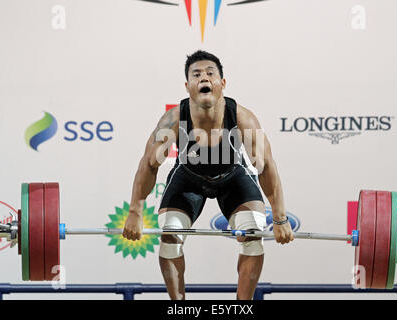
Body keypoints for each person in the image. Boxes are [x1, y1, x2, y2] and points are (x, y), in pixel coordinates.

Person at [122, 50, 294, 300]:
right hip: (188, 180)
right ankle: (179, 306)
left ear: (222, 83)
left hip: (232, 179)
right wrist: (135, 213)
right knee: (170, 237)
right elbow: (149, 165)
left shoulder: (242, 118)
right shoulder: (174, 119)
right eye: (197, 74)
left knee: (253, 234)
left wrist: (279, 219)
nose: (204, 78)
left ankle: (242, 306)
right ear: (187, 86)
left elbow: (266, 166)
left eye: (210, 73)